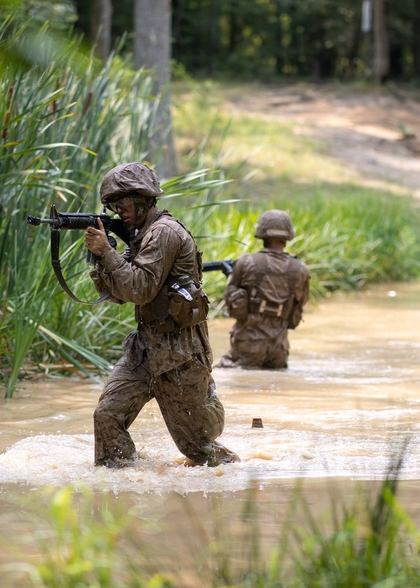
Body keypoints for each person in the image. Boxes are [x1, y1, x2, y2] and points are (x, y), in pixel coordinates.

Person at [83, 162, 238, 467]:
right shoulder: (141, 236)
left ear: (143, 199)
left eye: (122, 204)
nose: (118, 211)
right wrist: (102, 259)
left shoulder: (163, 233)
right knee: (107, 416)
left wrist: (108, 253)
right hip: (144, 349)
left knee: (197, 449)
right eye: (113, 206)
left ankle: (238, 480)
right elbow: (121, 296)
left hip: (179, 354)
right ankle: (122, 484)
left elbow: (140, 290)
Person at [218, 209, 310, 370]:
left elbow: (231, 300)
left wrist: (231, 274)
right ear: (287, 236)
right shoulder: (301, 270)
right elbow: (300, 304)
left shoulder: (246, 262)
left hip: (247, 345)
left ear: (262, 234)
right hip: (279, 349)